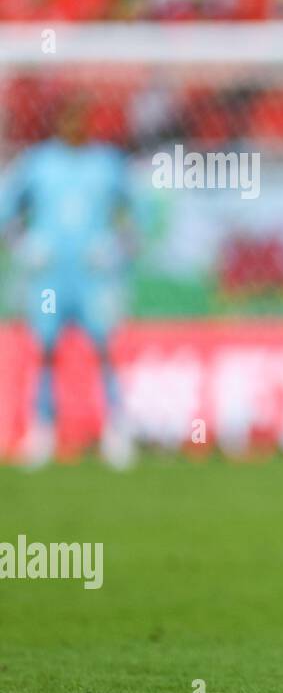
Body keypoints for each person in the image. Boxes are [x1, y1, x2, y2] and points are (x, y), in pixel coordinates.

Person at [0, 98, 136, 469]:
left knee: (104, 348)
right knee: (44, 349)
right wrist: (23, 244)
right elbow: (6, 209)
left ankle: (116, 429)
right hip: (50, 276)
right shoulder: (38, 164)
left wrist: (117, 247)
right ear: (58, 124)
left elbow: (138, 212)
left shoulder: (107, 164)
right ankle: (41, 429)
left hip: (93, 275)